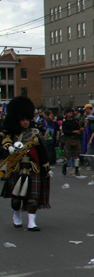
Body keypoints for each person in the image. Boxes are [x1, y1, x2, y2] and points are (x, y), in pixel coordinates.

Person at [0, 96, 51, 231]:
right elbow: (5, 142)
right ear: (18, 120)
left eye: (27, 119)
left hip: (32, 167)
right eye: (23, 120)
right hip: (16, 167)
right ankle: (16, 215)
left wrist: (46, 167)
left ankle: (31, 222)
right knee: (16, 198)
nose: (25, 122)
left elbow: (42, 151)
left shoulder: (35, 134)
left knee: (33, 197)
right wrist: (9, 148)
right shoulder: (12, 134)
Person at [60, 107, 82, 176]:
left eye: (71, 113)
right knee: (68, 156)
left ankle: (76, 170)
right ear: (66, 114)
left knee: (77, 155)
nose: (71, 114)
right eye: (69, 113)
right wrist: (74, 131)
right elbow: (65, 131)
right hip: (68, 138)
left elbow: (79, 127)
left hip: (76, 138)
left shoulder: (75, 121)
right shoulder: (64, 122)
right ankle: (64, 165)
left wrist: (80, 129)